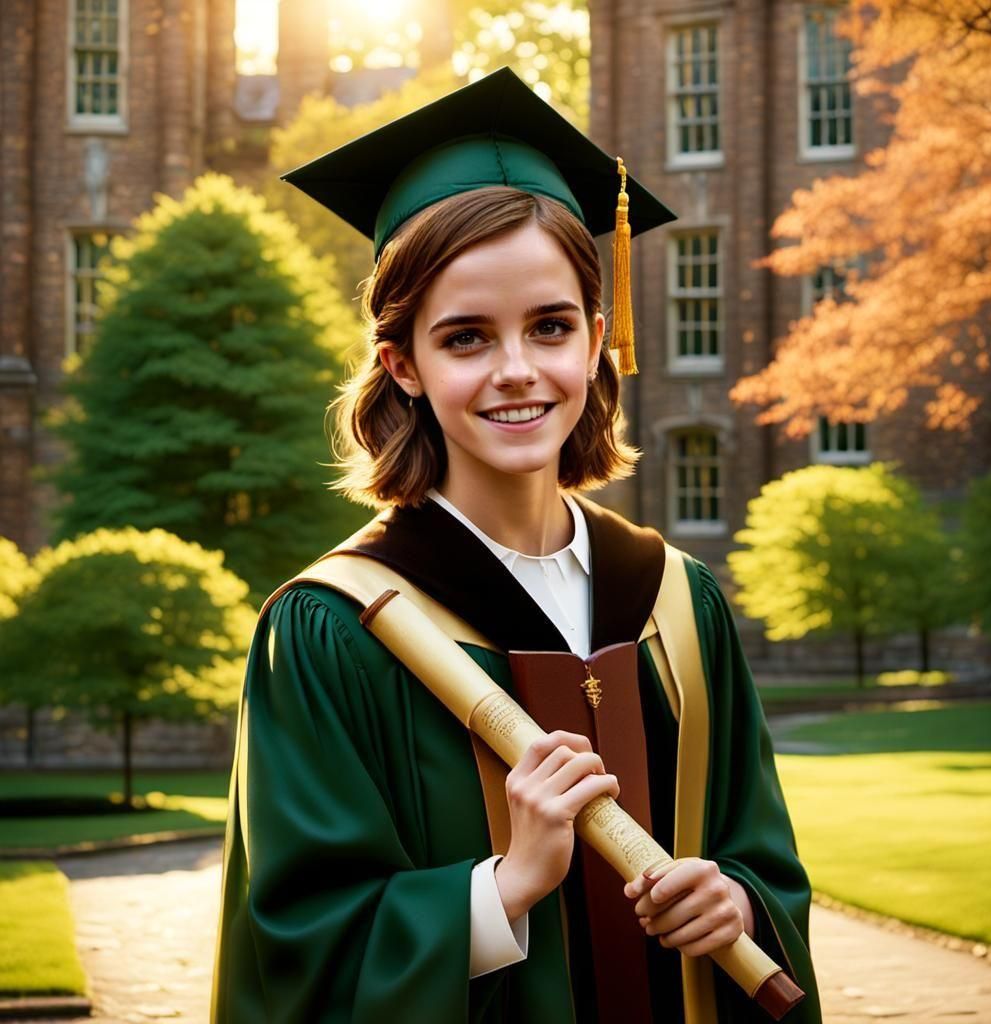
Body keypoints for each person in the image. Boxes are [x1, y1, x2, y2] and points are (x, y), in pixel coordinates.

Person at [210, 67, 821, 1024]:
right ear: (402, 363)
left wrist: (738, 902)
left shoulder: (677, 601)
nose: (517, 370)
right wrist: (505, 886)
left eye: (550, 327)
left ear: (597, 338)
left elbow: (762, 853)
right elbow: (301, 948)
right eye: (466, 338)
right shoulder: (333, 630)